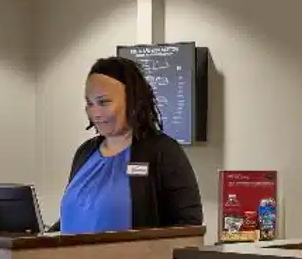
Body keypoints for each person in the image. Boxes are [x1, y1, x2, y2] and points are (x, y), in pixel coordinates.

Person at [57, 56, 203, 234]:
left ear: (133, 100)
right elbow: (79, 214)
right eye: (90, 103)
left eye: (103, 102)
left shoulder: (163, 152)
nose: (95, 113)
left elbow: (188, 224)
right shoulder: (85, 153)